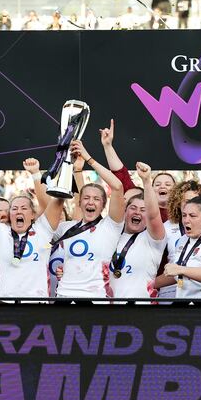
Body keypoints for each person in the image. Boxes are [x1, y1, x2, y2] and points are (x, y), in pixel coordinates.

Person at [0, 151, 63, 298]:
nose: (19, 211)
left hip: (38, 307)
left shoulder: (43, 231)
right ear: (9, 214)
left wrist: (36, 174)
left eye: (24, 208)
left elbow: (49, 204)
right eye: (14, 208)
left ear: (33, 215)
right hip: (7, 308)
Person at [53, 128, 126, 299]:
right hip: (64, 297)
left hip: (96, 299)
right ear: (79, 203)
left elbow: (117, 186)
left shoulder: (111, 226)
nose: (90, 202)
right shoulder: (66, 228)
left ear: (103, 205)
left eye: (96, 199)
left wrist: (88, 158)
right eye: (86, 198)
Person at [110, 162, 167, 300]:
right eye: (133, 208)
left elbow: (154, 215)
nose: (138, 212)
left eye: (143, 210)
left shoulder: (153, 240)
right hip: (107, 309)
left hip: (140, 310)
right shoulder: (110, 235)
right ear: (125, 211)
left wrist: (147, 181)